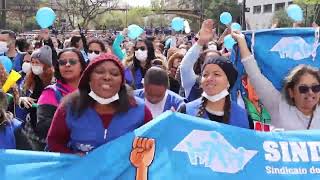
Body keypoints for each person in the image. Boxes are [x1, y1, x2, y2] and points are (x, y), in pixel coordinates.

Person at [47, 53, 153, 154]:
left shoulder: (139, 108)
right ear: (88, 78)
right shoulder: (69, 108)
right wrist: (73, 156)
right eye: (100, 72)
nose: (107, 77)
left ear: (122, 82)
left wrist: (169, 120)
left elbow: (155, 139)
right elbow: (54, 142)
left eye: (114, 74)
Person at [232, 30, 320, 130]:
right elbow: (255, 74)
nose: (310, 93)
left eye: (316, 88)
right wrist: (242, 42)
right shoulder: (278, 105)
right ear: (291, 92)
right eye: (303, 89)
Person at [178, 55, 249, 128]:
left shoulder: (244, 117)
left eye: (216, 74)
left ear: (228, 82)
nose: (209, 78)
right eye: (205, 75)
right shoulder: (186, 112)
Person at [36, 48, 87, 142]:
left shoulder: (93, 91)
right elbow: (43, 127)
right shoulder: (51, 93)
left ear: (82, 66)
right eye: (62, 62)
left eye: (73, 62)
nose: (67, 65)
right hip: (64, 151)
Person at [19, 45, 54, 150]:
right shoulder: (29, 79)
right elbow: (20, 96)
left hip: (48, 130)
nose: (34, 65)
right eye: (32, 62)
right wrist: (22, 99)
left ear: (46, 65)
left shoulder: (54, 82)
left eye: (37, 63)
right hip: (31, 129)